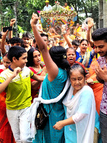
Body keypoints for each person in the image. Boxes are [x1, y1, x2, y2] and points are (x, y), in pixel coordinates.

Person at [31, 13, 70, 143]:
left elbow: (43, 49)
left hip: (50, 113)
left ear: (52, 60)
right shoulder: (64, 71)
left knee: (49, 138)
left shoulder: (55, 72)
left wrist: (34, 26)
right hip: (57, 111)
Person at [0, 46, 44, 143]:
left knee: (25, 139)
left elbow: (38, 78)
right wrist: (12, 76)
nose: (26, 61)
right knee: (18, 139)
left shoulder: (27, 70)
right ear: (14, 59)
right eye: (24, 58)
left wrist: (50, 75)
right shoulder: (5, 74)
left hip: (26, 108)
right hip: (12, 110)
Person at [53, 64, 96, 142]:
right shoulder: (70, 89)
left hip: (81, 129)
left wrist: (62, 123)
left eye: (80, 79)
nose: (77, 82)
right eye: (73, 79)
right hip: (69, 130)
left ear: (85, 78)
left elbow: (81, 114)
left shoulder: (86, 91)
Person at [0, 54, 15, 143]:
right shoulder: (0, 73)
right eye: (4, 62)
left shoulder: (21, 72)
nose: (6, 65)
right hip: (1, 109)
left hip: (15, 107)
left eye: (8, 62)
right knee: (2, 131)